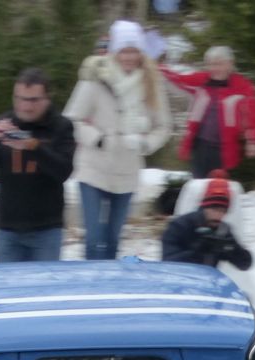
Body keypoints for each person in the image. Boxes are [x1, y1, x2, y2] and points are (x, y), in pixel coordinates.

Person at [63, 19, 172, 261]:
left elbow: (164, 127)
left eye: (134, 51)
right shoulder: (95, 77)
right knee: (94, 239)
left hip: (127, 171)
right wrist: (98, 138)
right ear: (115, 51)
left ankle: (109, 282)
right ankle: (92, 281)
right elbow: (71, 119)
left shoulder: (151, 82)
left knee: (113, 240)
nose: (129, 57)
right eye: (124, 50)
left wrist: (145, 143)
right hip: (93, 168)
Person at [0, 68, 76, 262]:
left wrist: (33, 146)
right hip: (8, 227)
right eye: (20, 99)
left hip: (46, 227)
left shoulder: (61, 126)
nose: (26, 106)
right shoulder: (3, 124)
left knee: (43, 281)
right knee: (5, 281)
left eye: (33, 100)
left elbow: (64, 171)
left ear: (47, 99)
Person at [160, 46, 255, 178]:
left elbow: (253, 116)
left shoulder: (243, 87)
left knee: (218, 186)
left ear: (230, 64)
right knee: (199, 184)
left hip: (225, 150)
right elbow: (178, 80)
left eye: (219, 64)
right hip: (200, 147)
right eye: (211, 64)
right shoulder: (201, 81)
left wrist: (253, 141)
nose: (214, 68)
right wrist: (159, 69)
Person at [161, 173, 253, 271]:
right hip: (179, 278)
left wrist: (233, 249)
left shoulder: (222, 230)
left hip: (207, 279)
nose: (218, 215)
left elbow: (245, 265)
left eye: (223, 211)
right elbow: (168, 263)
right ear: (204, 208)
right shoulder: (179, 226)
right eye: (214, 209)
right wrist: (198, 251)